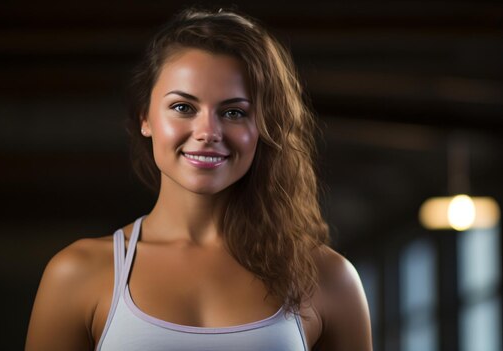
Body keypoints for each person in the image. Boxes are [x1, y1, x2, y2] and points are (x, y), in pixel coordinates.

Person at [26, 7, 372, 351]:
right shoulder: (77, 274)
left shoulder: (327, 278)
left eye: (234, 112)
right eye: (183, 107)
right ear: (145, 117)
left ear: (265, 127)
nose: (208, 132)